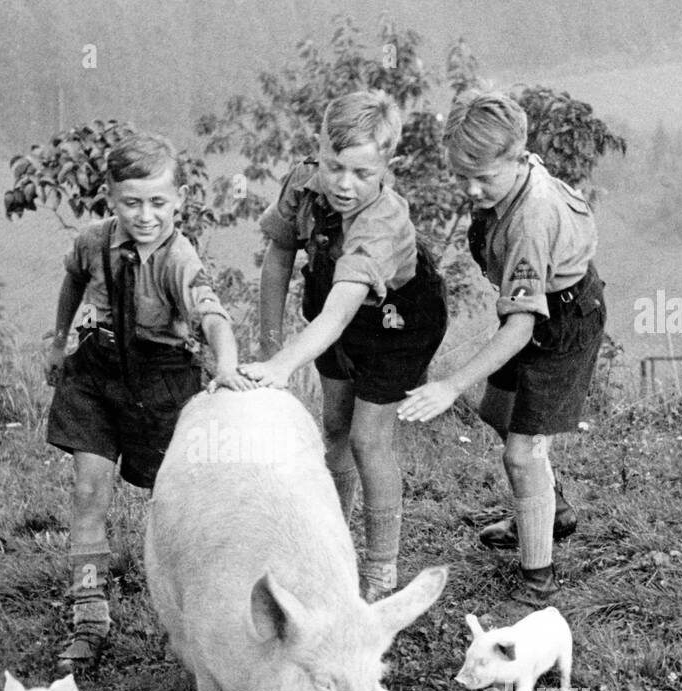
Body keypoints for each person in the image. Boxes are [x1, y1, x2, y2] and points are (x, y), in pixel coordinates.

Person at [43, 131, 254, 669]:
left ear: (179, 200)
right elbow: (72, 280)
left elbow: (212, 317)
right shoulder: (93, 242)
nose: (145, 216)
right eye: (131, 202)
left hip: (161, 381)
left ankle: (208, 609)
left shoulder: (178, 258)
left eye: (158, 203)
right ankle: (89, 615)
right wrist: (59, 338)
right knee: (88, 489)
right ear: (110, 198)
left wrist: (226, 365)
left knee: (178, 501)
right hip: (96, 369)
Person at [397, 90, 606, 606]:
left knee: (523, 452)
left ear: (517, 157)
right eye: (461, 176)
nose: (470, 189)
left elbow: (519, 328)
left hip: (562, 322)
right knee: (499, 411)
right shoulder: (509, 179)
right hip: (534, 311)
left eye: (483, 178)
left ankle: (538, 583)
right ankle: (549, 510)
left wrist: (449, 384)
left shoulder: (531, 218)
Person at [239, 90, 447, 602]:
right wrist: (270, 350)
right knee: (333, 425)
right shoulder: (303, 181)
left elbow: (340, 312)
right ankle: (330, 546)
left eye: (363, 174)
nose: (344, 185)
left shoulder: (383, 222)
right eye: (335, 167)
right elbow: (279, 255)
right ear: (319, 149)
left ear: (388, 167)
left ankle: (380, 570)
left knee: (367, 439)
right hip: (332, 298)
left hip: (398, 323)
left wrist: (285, 364)